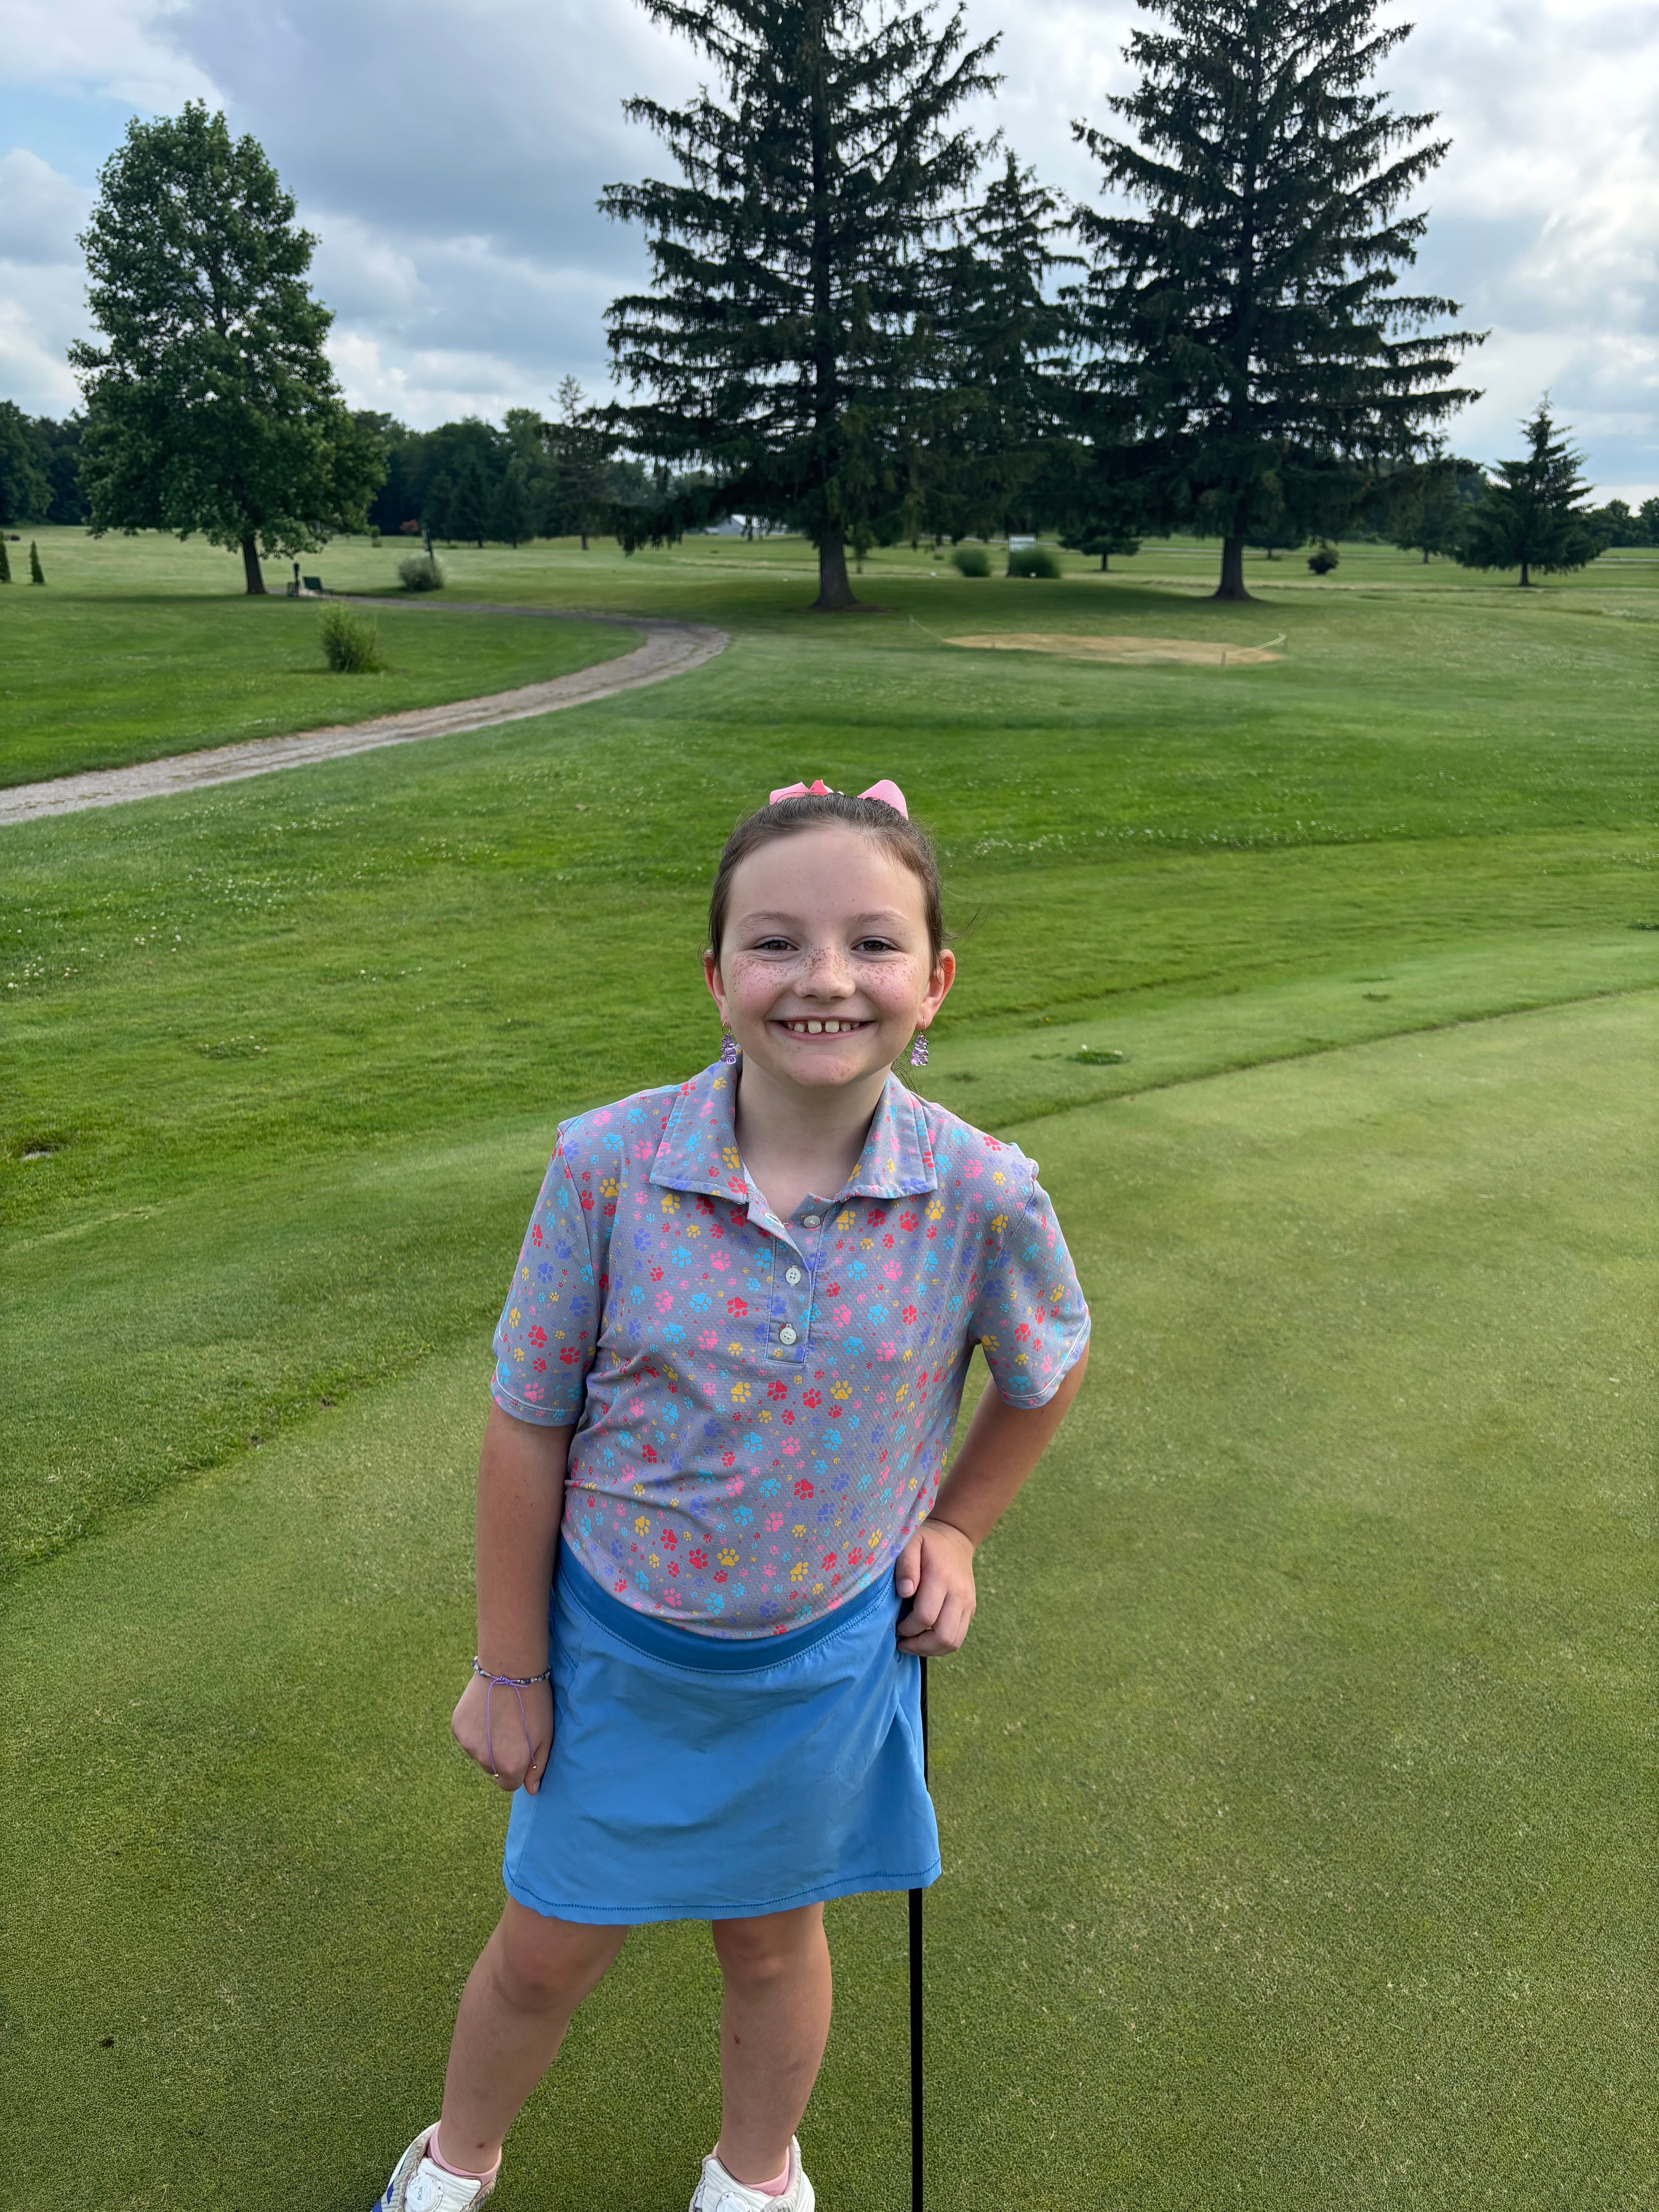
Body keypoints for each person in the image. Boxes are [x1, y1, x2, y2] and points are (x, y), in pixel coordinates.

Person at [375, 779, 1091, 2212]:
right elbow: (526, 1424)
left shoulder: (981, 1192)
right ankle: (456, 2162)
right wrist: (507, 1667)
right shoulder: (606, 1165)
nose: (824, 979)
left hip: (819, 1662)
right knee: (547, 1948)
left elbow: (1045, 1367)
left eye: (872, 945)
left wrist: (953, 1525)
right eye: (776, 943)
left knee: (771, 1944)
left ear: (934, 980)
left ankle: (754, 2176)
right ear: (715, 976)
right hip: (617, 1655)